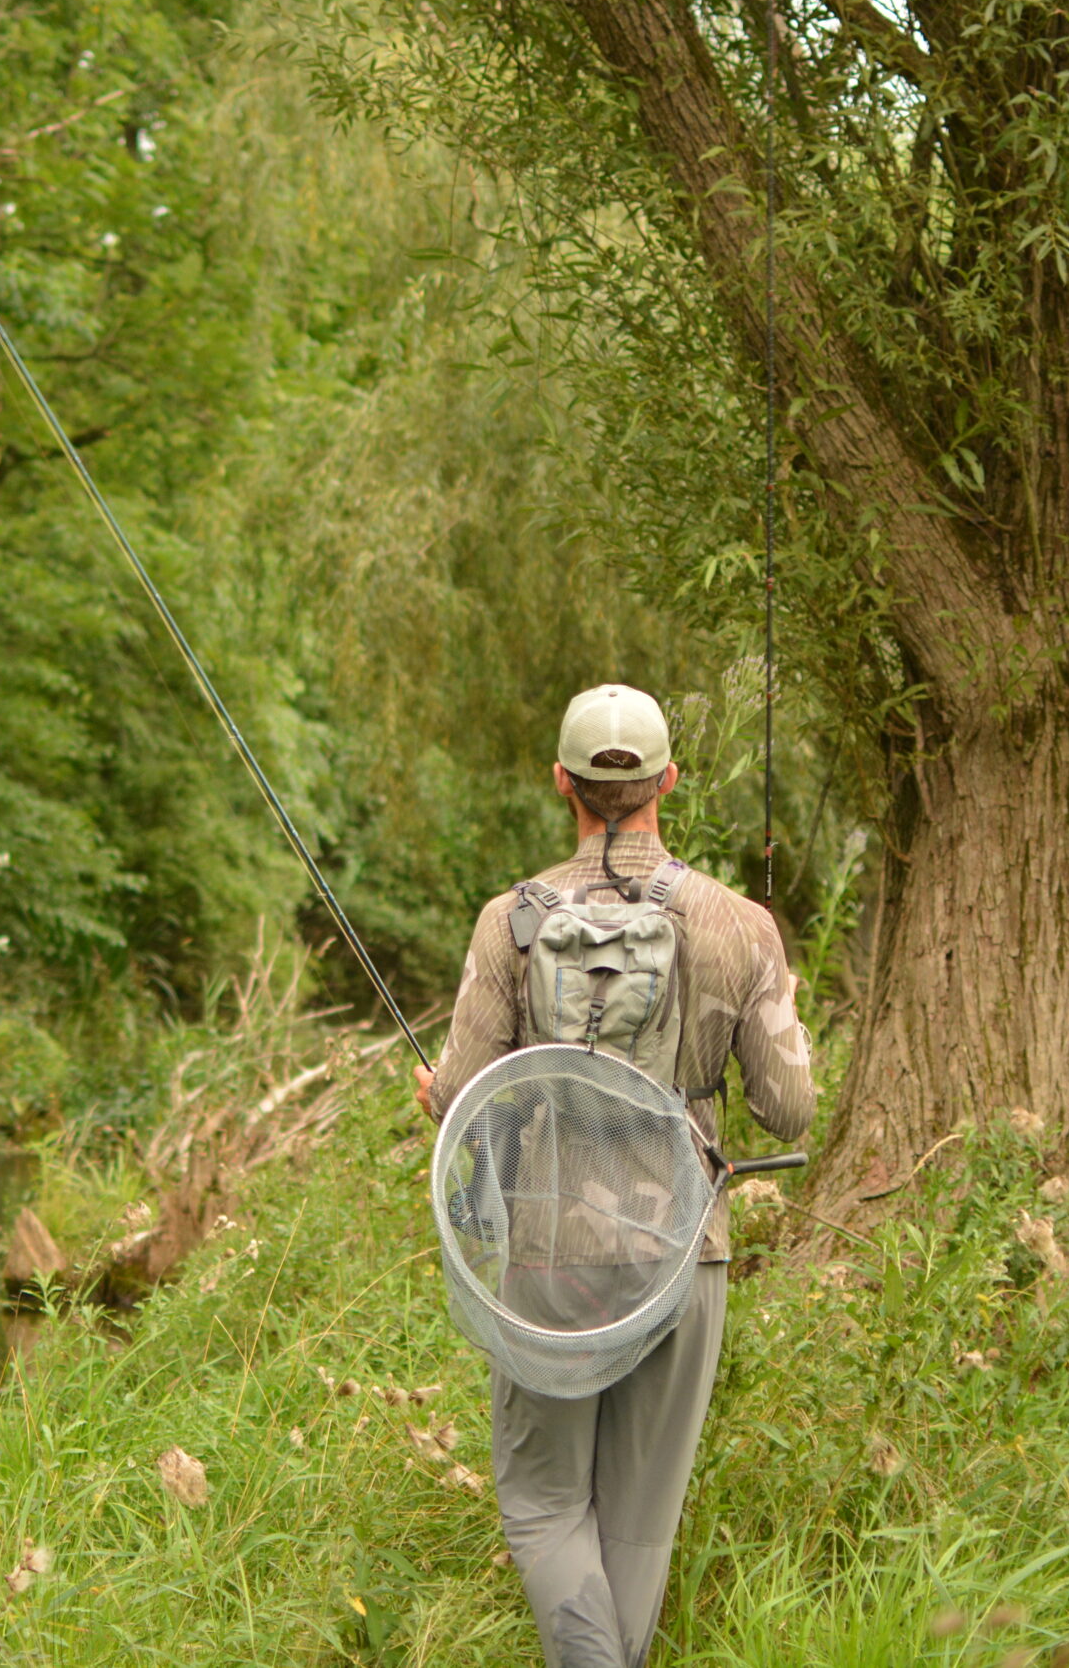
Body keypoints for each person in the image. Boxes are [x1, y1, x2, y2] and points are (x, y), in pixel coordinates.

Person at [413, 683, 813, 1668]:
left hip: (550, 1257)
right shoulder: (738, 924)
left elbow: (462, 1090)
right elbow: (788, 1109)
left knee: (544, 1503)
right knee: (638, 1526)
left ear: (563, 784)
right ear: (668, 781)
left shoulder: (507, 922)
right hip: (686, 1255)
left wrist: (435, 1090)